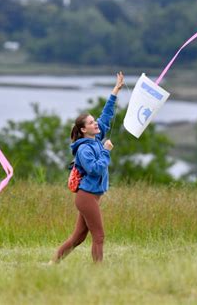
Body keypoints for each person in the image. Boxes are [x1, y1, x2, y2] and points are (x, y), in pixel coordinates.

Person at [50, 72, 124, 263]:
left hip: (91, 196)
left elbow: (106, 115)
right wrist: (106, 151)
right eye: (91, 123)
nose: (96, 123)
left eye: (94, 121)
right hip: (86, 197)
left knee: (78, 237)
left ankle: (52, 263)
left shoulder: (96, 138)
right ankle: (98, 273)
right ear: (84, 129)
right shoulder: (84, 149)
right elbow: (94, 169)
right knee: (98, 236)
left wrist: (115, 91)